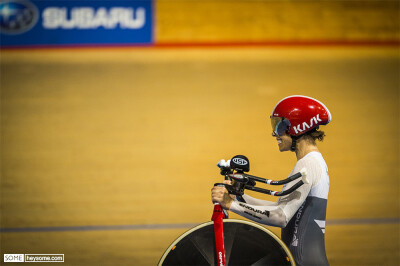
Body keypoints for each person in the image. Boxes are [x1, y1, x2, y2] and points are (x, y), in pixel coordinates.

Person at [211, 95, 331, 266]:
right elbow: (279, 208)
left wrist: (231, 205)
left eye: (280, 126)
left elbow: (280, 217)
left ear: (297, 127)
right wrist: (238, 198)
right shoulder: (312, 162)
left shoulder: (308, 164)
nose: (275, 133)